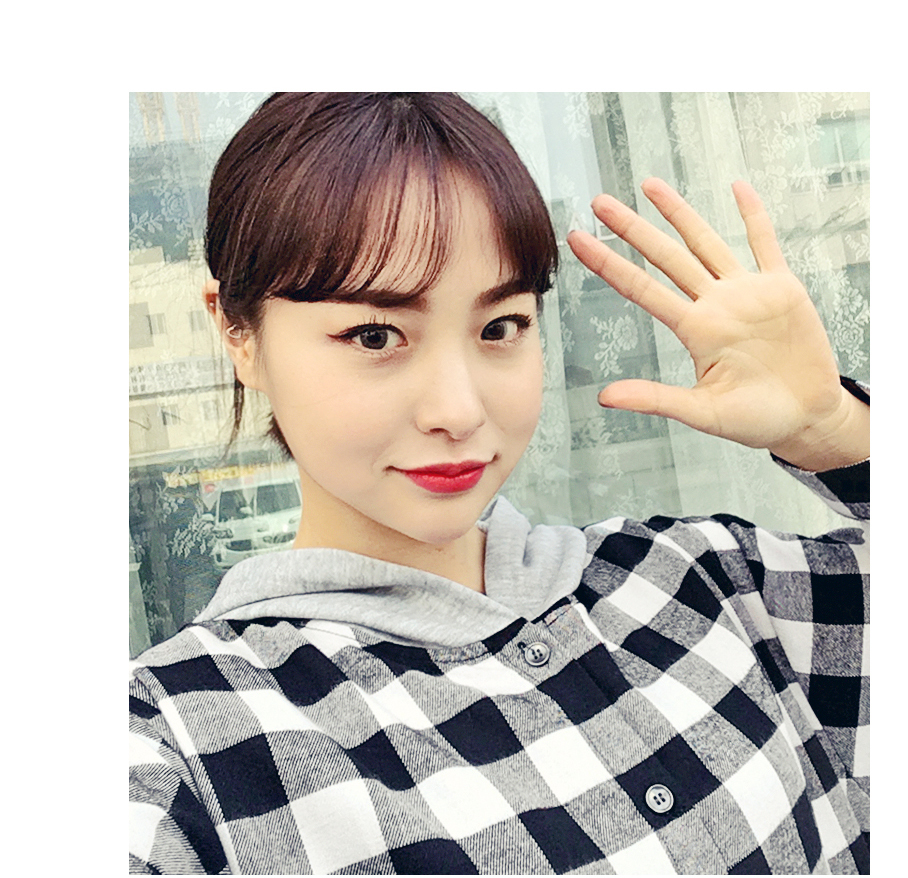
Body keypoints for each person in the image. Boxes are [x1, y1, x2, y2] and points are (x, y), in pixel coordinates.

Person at [129, 93, 869, 875]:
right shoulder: (184, 740)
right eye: (375, 335)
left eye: (500, 327)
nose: (458, 410)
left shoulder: (700, 580)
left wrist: (831, 430)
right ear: (238, 333)